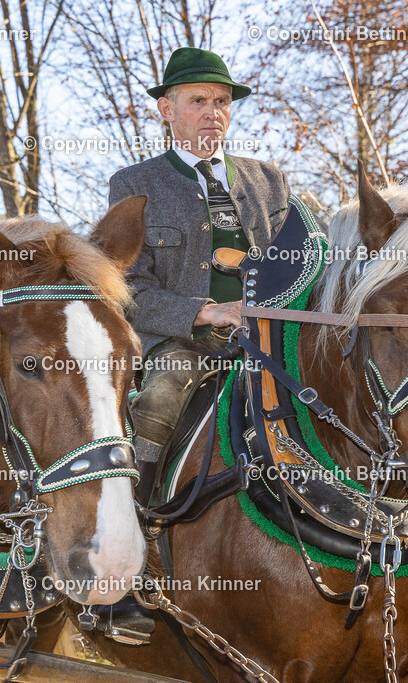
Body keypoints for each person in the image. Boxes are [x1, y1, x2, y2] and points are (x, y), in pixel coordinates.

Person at [109, 47, 291, 478]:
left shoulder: (270, 181)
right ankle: (142, 512)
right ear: (167, 109)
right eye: (198, 101)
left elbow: (304, 264)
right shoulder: (134, 184)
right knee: (161, 397)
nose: (214, 112)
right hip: (181, 344)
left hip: (273, 338)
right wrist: (205, 311)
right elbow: (127, 289)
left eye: (222, 101)